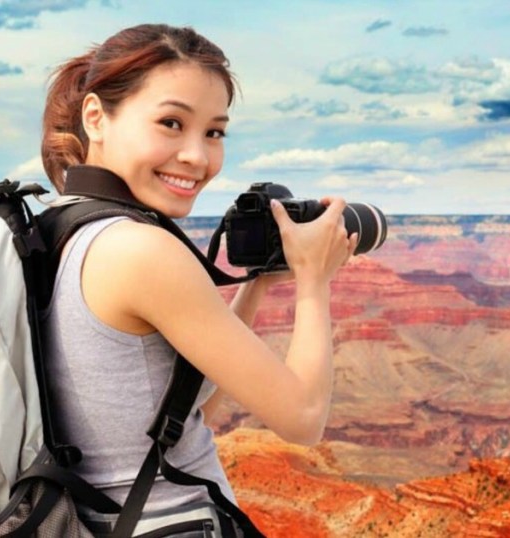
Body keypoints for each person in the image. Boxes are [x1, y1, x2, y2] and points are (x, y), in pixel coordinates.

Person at [38, 23, 357, 535]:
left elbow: (188, 406)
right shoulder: (141, 249)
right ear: (95, 117)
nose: (197, 157)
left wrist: (254, 287)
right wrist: (313, 280)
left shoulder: (62, 224)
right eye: (171, 123)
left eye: (214, 132)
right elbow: (303, 418)